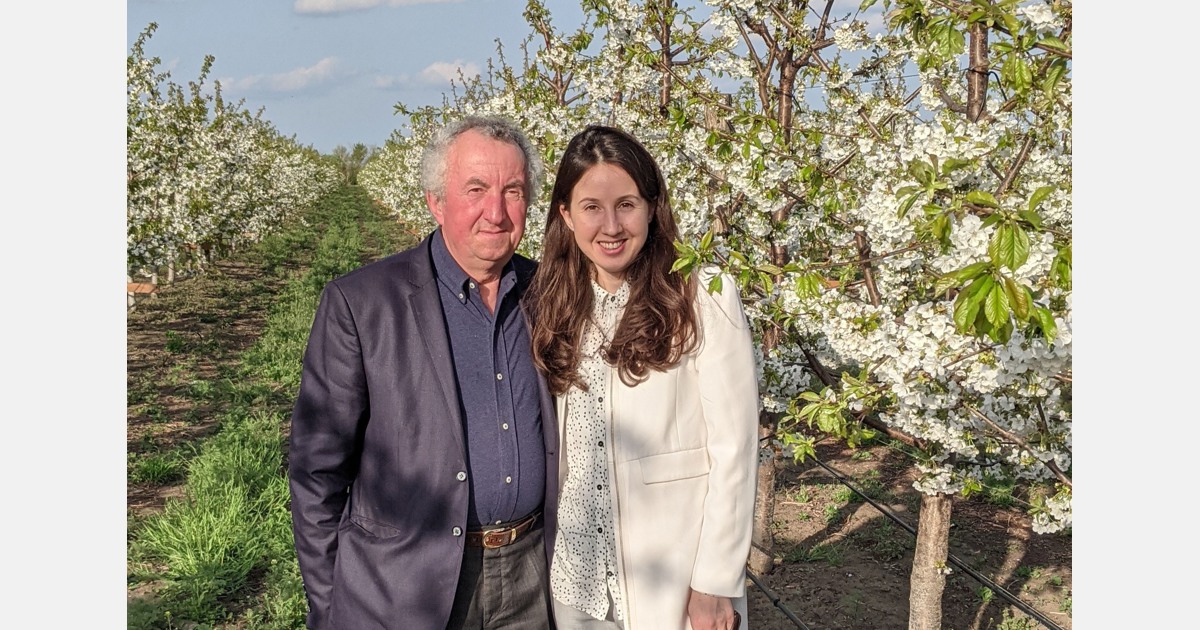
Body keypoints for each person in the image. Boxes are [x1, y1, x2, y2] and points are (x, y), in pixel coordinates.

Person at [288, 115, 559, 630]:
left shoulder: (550, 294)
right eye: (475, 188)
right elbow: (316, 473)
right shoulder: (362, 303)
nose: (496, 212)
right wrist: (330, 606)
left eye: (514, 191)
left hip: (531, 578)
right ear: (436, 201)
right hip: (405, 586)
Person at [524, 125, 759, 630]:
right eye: (591, 207)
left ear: (653, 208)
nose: (611, 226)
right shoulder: (554, 302)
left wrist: (716, 581)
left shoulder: (703, 294)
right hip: (578, 578)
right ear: (565, 215)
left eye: (626, 204)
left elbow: (734, 447)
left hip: (670, 577)